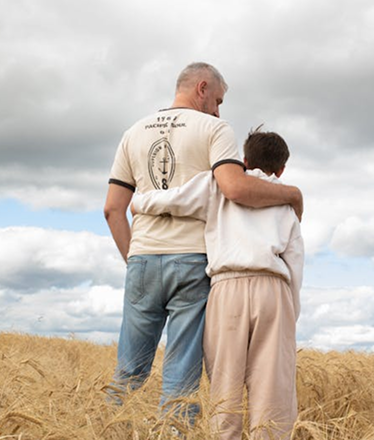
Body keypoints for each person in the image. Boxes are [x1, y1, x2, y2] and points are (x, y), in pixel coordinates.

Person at [104, 63, 303, 417]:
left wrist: (135, 259)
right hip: (191, 261)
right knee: (179, 383)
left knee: (128, 372)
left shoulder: (132, 133)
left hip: (142, 259)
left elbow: (112, 210)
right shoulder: (214, 128)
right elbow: (234, 187)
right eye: (219, 99)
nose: (218, 108)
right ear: (202, 88)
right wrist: (292, 195)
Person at [131, 128, 304, 440]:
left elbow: (173, 200)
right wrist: (289, 313)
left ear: (243, 160)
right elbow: (295, 261)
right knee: (273, 397)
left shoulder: (216, 184)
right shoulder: (285, 201)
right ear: (281, 170)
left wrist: (138, 203)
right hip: (274, 287)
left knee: (224, 389)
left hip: (226, 287)